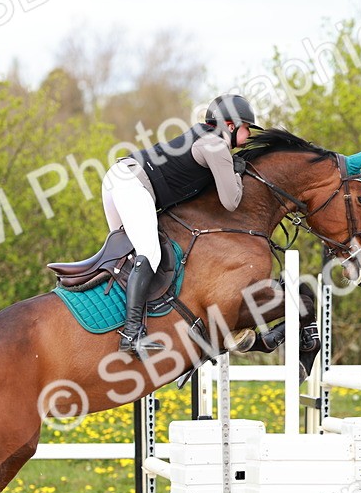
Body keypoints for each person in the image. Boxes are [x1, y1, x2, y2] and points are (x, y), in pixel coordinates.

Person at [102, 94, 257, 355]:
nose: (249, 134)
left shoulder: (202, 135)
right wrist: (237, 174)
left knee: (125, 258)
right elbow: (232, 201)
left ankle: (113, 323)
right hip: (132, 184)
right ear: (230, 126)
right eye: (246, 128)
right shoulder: (217, 145)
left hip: (119, 177)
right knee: (149, 255)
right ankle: (131, 335)